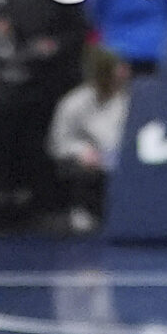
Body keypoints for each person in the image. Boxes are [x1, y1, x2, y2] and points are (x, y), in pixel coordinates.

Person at [46, 43, 130, 230]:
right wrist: (81, 151)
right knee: (81, 169)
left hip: (122, 156)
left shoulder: (130, 98)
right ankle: (82, 210)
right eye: (117, 67)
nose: (123, 71)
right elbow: (57, 141)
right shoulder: (74, 102)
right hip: (88, 158)